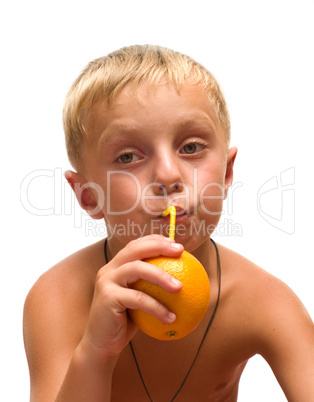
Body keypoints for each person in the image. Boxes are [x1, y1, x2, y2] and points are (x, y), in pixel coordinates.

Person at [23, 44, 314, 401]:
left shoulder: (264, 301)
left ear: (226, 172)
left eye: (191, 148)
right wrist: (96, 353)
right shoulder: (59, 297)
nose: (168, 175)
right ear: (88, 195)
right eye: (128, 156)